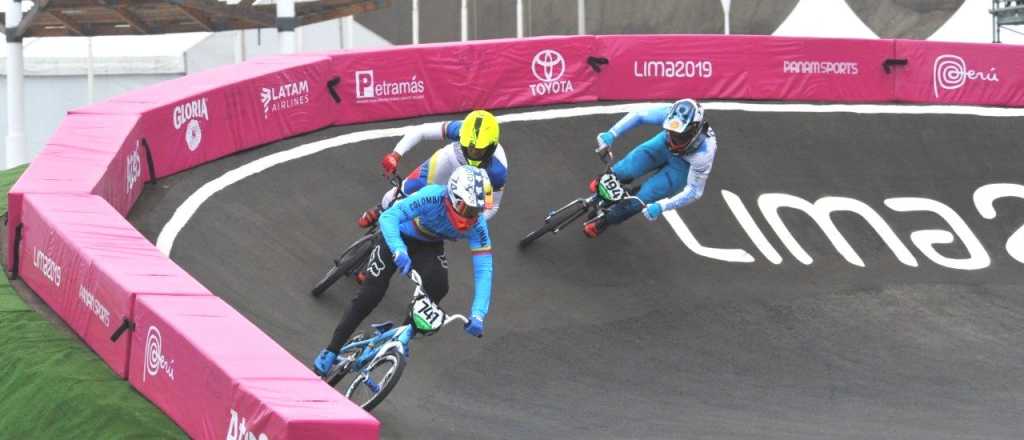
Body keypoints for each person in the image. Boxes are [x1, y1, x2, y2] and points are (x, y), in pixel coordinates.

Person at [314, 166, 495, 376]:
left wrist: (478, 314)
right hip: (397, 235)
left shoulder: (478, 225)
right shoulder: (432, 197)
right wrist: (398, 249)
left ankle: (403, 337)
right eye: (468, 209)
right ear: (453, 197)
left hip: (428, 246)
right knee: (370, 294)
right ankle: (331, 349)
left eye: (477, 211)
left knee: (438, 287)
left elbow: (484, 268)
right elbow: (389, 218)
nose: (473, 217)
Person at [585, 98, 718, 237]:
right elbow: (639, 115)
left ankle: (607, 220)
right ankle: (598, 197)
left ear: (693, 131)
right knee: (624, 170)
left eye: (679, 136)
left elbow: (694, 191)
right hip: (662, 145)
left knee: (642, 198)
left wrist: (662, 206)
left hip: (683, 166)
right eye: (671, 132)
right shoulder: (670, 113)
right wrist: (611, 134)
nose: (674, 140)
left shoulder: (705, 152)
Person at [357, 109, 509, 227]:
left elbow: (491, 206)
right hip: (449, 162)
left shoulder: (496, 171)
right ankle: (381, 209)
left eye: (479, 150)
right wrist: (396, 155)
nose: (473, 152)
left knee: (440, 222)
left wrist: (471, 221)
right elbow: (421, 131)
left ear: (490, 147)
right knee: (402, 192)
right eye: (469, 147)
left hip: (470, 184)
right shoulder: (461, 130)